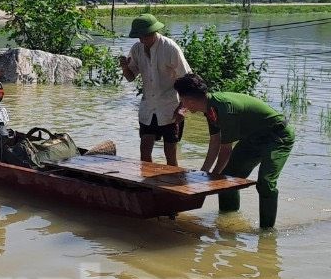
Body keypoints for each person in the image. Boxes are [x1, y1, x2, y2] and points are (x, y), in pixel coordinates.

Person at [174, 73, 294, 229]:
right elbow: (215, 142)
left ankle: (266, 232)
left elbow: (225, 151)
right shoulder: (210, 109)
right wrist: (203, 173)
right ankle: (228, 220)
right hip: (253, 138)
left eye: (181, 100)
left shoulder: (224, 108)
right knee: (227, 180)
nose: (182, 105)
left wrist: (212, 178)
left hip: (277, 136)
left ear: (188, 100)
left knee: (265, 183)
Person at [119, 13, 191, 166]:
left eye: (143, 36)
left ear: (152, 33)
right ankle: (148, 186)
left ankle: (170, 186)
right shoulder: (137, 48)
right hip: (148, 107)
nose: (140, 40)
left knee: (170, 153)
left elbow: (188, 79)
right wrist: (125, 67)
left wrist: (183, 108)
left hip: (170, 107)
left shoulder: (169, 47)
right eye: (138, 37)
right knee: (145, 150)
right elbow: (131, 77)